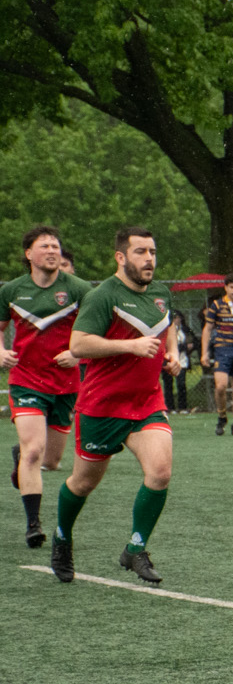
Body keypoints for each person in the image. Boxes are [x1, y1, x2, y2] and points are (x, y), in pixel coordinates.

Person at [49, 226, 174, 584]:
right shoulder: (103, 295)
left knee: (160, 472)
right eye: (140, 252)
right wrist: (130, 346)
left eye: (152, 251)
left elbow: (169, 327)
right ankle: (61, 537)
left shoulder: (162, 293)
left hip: (147, 401)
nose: (149, 259)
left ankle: (135, 548)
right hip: (102, 407)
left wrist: (174, 352)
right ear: (121, 257)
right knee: (83, 483)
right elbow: (79, 345)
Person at [3, 225, 92, 549]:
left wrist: (77, 351)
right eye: (45, 246)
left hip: (66, 386)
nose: (52, 250)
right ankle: (33, 525)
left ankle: (22, 461)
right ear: (29, 254)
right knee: (34, 450)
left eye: (56, 245)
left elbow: (96, 329)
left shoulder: (80, 289)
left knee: (51, 461)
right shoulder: (12, 290)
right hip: (25, 381)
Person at [202, 275, 233, 435]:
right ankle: (222, 415)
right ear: (226, 288)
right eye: (231, 287)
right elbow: (207, 329)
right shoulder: (217, 305)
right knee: (221, 386)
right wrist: (204, 352)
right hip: (222, 349)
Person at [159, 310, 193, 414]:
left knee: (181, 383)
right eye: (174, 318)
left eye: (178, 318)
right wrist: (182, 347)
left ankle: (182, 407)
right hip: (168, 360)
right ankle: (170, 407)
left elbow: (193, 342)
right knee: (168, 384)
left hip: (182, 360)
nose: (176, 320)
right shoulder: (164, 330)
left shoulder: (185, 330)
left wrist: (186, 347)